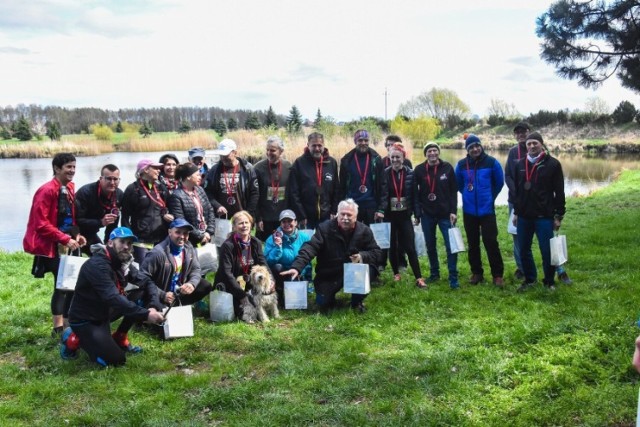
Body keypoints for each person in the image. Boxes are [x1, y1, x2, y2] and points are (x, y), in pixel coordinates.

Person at [61, 227, 165, 367]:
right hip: (86, 319)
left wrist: (153, 305)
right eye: (122, 242)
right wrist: (146, 315)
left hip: (105, 312)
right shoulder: (97, 265)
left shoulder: (123, 262)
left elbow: (147, 281)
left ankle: (120, 336)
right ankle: (72, 338)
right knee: (115, 361)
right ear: (110, 243)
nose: (126, 247)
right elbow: (113, 298)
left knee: (140, 293)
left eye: (129, 243)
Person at [23, 152, 87, 338]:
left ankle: (68, 322)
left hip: (68, 243)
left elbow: (70, 218)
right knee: (61, 285)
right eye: (68, 167)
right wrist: (64, 238)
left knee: (72, 283)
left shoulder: (70, 188)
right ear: (57, 168)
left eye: (74, 167)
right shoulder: (46, 190)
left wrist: (77, 235)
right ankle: (57, 328)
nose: (72, 171)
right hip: (51, 246)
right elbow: (40, 223)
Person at [281, 199, 382, 313]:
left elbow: (377, 252)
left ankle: (356, 300)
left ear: (356, 216)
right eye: (342, 214)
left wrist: (362, 256)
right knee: (323, 303)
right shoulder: (324, 229)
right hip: (330, 272)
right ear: (337, 214)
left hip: (355, 271)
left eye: (349, 215)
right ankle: (329, 297)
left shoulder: (364, 230)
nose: (345, 217)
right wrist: (296, 267)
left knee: (369, 270)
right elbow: (310, 247)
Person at [505, 122, 572, 285]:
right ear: (526, 146)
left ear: (541, 144)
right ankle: (530, 280)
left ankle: (549, 281)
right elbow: (519, 191)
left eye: (535, 143)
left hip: (544, 216)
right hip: (524, 216)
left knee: (547, 250)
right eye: (529, 144)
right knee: (524, 250)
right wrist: (516, 213)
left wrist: (558, 215)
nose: (532, 146)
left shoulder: (553, 164)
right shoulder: (520, 164)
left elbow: (559, 192)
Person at [455, 134, 505, 287]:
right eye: (471, 147)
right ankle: (477, 273)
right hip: (469, 211)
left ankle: (497, 275)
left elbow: (499, 183)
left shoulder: (492, 162)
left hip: (487, 210)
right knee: (473, 243)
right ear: (467, 150)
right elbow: (459, 184)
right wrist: (469, 196)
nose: (475, 149)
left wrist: (489, 196)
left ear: (481, 146)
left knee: (491, 242)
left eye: (477, 146)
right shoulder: (461, 165)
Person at [414, 142, 460, 289]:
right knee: (430, 245)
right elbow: (415, 194)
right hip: (427, 214)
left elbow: (454, 192)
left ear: (438, 152)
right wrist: (417, 213)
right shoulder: (419, 170)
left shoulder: (447, 168)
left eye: (434, 151)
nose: (432, 153)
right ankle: (435, 273)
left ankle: (453, 277)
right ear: (425, 154)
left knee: (451, 245)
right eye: (429, 151)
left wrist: (453, 211)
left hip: (445, 214)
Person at [140, 218, 213, 307]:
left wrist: (191, 284)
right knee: (159, 317)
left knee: (205, 285)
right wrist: (162, 294)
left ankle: (177, 305)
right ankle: (160, 308)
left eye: (185, 233)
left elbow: (196, 269)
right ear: (169, 232)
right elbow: (142, 277)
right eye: (178, 232)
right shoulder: (157, 253)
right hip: (160, 295)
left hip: (178, 292)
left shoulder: (189, 248)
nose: (182, 236)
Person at [383, 144, 426, 288]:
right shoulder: (385, 173)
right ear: (389, 158)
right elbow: (382, 195)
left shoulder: (410, 173)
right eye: (392, 157)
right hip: (390, 216)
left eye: (398, 157)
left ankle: (419, 277)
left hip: (405, 215)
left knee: (410, 247)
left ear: (403, 158)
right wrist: (380, 211)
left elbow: (415, 195)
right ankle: (396, 273)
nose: (395, 160)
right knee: (392, 246)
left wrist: (417, 214)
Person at [214, 211, 270, 321]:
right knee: (242, 312)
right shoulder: (227, 245)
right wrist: (242, 295)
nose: (244, 225)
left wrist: (271, 280)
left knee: (256, 307)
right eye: (240, 223)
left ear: (251, 224)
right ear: (234, 227)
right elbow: (227, 273)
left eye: (246, 222)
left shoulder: (255, 242)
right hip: (230, 284)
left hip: (248, 282)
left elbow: (263, 262)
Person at [121, 159, 174, 263]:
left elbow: (168, 207)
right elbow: (125, 217)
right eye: (155, 168)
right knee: (144, 271)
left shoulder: (161, 188)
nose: (159, 171)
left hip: (161, 239)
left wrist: (166, 214)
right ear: (145, 170)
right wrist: (127, 240)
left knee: (161, 269)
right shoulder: (133, 189)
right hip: (141, 240)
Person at [287, 132, 340, 230]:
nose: (317, 149)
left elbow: (336, 189)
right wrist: (301, 215)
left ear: (324, 145)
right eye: (313, 145)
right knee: (307, 244)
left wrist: (334, 211)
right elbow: (294, 192)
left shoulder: (332, 163)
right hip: (306, 217)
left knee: (326, 244)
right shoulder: (299, 163)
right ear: (308, 145)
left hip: (327, 215)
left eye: (319, 145)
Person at [338, 129, 388, 225]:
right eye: (360, 140)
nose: (363, 143)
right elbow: (342, 187)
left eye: (366, 140)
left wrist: (381, 209)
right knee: (352, 237)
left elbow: (383, 185)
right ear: (355, 142)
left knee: (371, 237)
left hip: (371, 206)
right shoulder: (346, 160)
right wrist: (341, 208)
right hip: (352, 206)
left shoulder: (376, 159)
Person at [264, 209, 312, 305]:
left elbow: (308, 260)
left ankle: (297, 289)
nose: (287, 224)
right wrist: (278, 248)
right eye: (284, 221)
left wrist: (307, 278)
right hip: (282, 273)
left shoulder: (305, 237)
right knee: (277, 267)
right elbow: (267, 262)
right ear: (280, 223)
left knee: (296, 305)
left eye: (290, 221)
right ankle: (279, 294)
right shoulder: (272, 238)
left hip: (298, 272)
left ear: (295, 222)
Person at [75, 164, 124, 256]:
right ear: (101, 179)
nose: (112, 182)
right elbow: (77, 220)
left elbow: (113, 224)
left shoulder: (119, 194)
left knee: (106, 255)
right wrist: (100, 222)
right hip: (76, 233)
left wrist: (108, 244)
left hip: (92, 233)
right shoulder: (85, 192)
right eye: (109, 179)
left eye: (115, 179)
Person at [205, 139, 259, 221]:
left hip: (242, 216)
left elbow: (254, 193)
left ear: (235, 153)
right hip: (222, 217)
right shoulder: (214, 170)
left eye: (226, 155)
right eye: (221, 155)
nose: (223, 158)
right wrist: (217, 206)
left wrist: (248, 213)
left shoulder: (247, 168)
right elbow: (208, 192)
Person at [168, 162, 216, 247]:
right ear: (188, 177)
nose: (200, 177)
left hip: (207, 236)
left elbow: (210, 210)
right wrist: (200, 236)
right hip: (190, 241)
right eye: (197, 175)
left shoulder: (200, 189)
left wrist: (209, 232)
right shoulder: (176, 195)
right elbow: (181, 220)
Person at [253, 136, 291, 241]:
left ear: (281, 151)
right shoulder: (258, 168)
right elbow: (254, 195)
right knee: (264, 249)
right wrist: (258, 218)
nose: (269, 153)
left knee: (283, 246)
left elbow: (293, 193)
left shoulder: (289, 167)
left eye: (272, 150)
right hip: (265, 218)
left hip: (283, 217)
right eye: (267, 150)